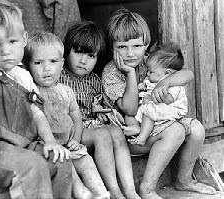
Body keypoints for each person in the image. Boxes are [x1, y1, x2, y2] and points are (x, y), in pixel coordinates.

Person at [101, 8, 216, 199]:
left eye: (137, 46)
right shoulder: (112, 72)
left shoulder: (150, 61)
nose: (130, 53)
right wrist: (130, 74)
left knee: (196, 128)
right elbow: (129, 108)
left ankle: (183, 180)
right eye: (122, 47)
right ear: (112, 47)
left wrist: (166, 81)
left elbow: (188, 74)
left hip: (157, 124)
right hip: (131, 137)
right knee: (176, 131)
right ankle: (147, 188)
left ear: (146, 45)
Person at [0, 1, 72, 198]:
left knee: (60, 158)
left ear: (24, 39)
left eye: (12, 41)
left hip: (26, 144)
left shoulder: (24, 77)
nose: (5, 50)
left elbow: (36, 112)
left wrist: (50, 141)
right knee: (32, 164)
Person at [59, 20, 141, 199]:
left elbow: (98, 109)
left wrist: (103, 113)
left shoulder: (95, 80)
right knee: (102, 135)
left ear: (97, 58)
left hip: (90, 124)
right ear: (67, 50)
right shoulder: (58, 75)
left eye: (91, 56)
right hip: (71, 130)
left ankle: (130, 190)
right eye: (78, 52)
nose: (83, 61)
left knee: (116, 132)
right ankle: (115, 192)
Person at [23, 31, 109, 199]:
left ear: (62, 64)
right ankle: (81, 193)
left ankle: (101, 194)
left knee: (86, 162)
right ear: (28, 65)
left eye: (53, 62)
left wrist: (76, 140)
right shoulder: (32, 92)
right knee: (66, 163)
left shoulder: (66, 91)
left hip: (70, 143)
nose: (47, 69)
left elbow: (77, 120)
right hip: (49, 147)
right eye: (38, 62)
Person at [127, 42, 188, 146]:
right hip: (155, 108)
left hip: (169, 110)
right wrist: (142, 87)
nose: (147, 74)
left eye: (151, 72)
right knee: (131, 116)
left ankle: (142, 137)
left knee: (149, 111)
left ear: (167, 73)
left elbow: (168, 99)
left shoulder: (173, 86)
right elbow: (147, 86)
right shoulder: (155, 78)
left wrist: (150, 98)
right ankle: (137, 128)